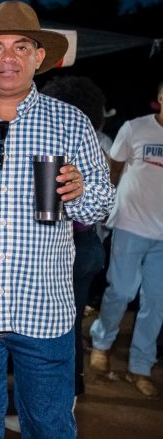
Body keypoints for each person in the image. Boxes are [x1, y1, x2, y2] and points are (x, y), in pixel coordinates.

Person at [0, 1, 115, 438]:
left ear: (38, 57)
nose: (7, 58)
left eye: (20, 47)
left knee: (49, 426)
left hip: (45, 311)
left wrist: (81, 191)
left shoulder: (71, 123)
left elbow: (101, 206)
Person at [89, 81, 163, 398]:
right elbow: (113, 170)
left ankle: (140, 367)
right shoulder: (135, 129)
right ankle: (102, 342)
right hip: (131, 224)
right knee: (120, 291)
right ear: (160, 98)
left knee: (156, 303)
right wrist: (108, 208)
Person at [41, 75, 109, 399]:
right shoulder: (95, 143)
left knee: (56, 325)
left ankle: (57, 391)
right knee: (70, 320)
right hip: (90, 248)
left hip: (71, 248)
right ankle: (73, 384)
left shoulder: (65, 149)